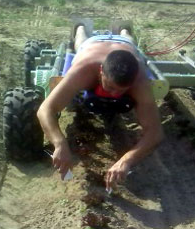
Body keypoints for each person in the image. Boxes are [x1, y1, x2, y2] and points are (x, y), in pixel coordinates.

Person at [37, 23, 164, 190]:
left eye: (122, 91)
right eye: (110, 87)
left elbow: (155, 133)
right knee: (80, 40)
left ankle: (124, 30)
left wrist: (126, 160)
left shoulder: (140, 82)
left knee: (128, 40)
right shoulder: (83, 71)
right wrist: (60, 143)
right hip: (92, 45)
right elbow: (45, 110)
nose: (114, 95)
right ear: (101, 71)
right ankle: (81, 27)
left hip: (125, 46)